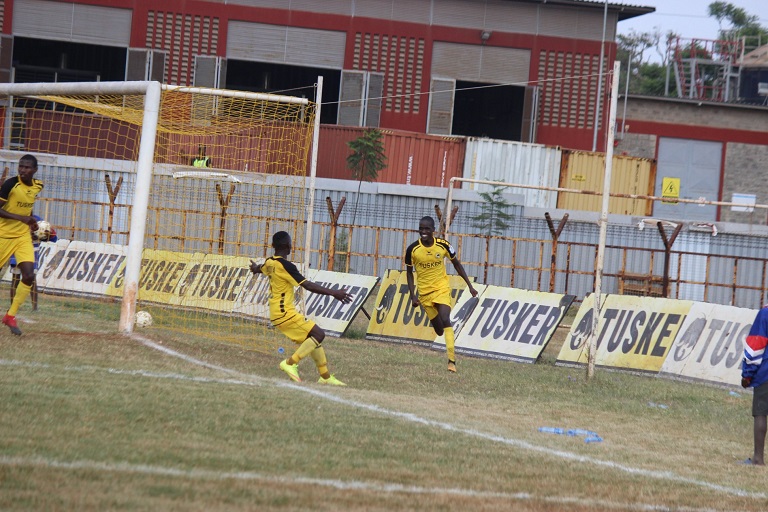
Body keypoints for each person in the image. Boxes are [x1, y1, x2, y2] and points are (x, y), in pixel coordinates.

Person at [250, 231, 352, 385]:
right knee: (319, 334)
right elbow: (307, 285)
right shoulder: (286, 265)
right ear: (287, 245)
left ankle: (325, 377)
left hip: (277, 312)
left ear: (273, 246)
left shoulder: (270, 262)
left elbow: (260, 268)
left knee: (312, 339)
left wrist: (255, 268)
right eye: (290, 243)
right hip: (285, 313)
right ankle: (290, 363)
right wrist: (334, 293)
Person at [405, 215, 478, 373]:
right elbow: (409, 273)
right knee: (439, 329)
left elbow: (457, 264)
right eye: (421, 228)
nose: (423, 231)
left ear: (433, 230)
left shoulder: (443, 245)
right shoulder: (412, 249)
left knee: (446, 318)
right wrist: (413, 295)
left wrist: (470, 286)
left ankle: (451, 361)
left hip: (441, 288)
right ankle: (441, 328)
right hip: (425, 294)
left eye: (427, 229)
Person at [0, 154, 44, 335]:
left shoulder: (38, 186)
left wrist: (31, 222)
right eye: (21, 166)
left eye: (27, 167)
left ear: (34, 170)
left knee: (28, 276)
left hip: (22, 237)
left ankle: (10, 316)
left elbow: (27, 206)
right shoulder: (11, 184)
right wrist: (22, 218)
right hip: (3, 235)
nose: (23, 170)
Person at [10, 214, 57, 311]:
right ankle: (13, 305)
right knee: (15, 279)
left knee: (32, 279)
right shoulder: (16, 219)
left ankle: (35, 307)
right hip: (17, 250)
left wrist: (45, 235)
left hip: (32, 252)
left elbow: (54, 238)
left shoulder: (38, 220)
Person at [742, 304, 768, 465]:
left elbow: (756, 345)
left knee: (760, 412)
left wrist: (747, 374)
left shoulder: (765, 313)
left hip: (766, 374)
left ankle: (758, 458)